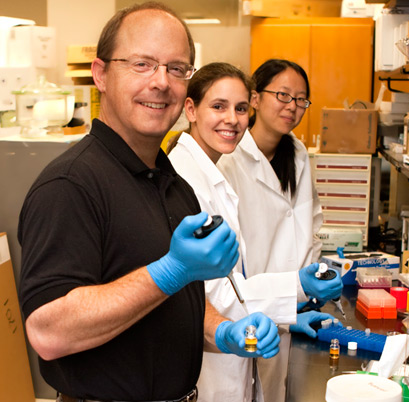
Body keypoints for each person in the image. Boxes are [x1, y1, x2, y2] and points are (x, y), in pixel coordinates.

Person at [17, 3, 279, 402]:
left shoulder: (172, 184)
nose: (161, 82)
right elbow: (49, 332)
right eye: (142, 64)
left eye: (177, 69)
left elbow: (175, 303)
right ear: (101, 74)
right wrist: (171, 269)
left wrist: (221, 331)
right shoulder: (70, 185)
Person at [169, 62, 342, 402]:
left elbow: (232, 282)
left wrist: (293, 298)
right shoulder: (187, 180)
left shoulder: (210, 173)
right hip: (213, 358)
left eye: (239, 109)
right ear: (191, 109)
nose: (232, 119)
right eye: (218, 106)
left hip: (243, 334)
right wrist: (295, 289)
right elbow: (213, 294)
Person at [218, 59, 333, 402]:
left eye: (301, 100)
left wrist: (314, 280)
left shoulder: (297, 152)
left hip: (294, 306)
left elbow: (310, 219)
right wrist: (283, 299)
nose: (292, 107)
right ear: (255, 99)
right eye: (283, 95)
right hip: (251, 307)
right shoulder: (230, 157)